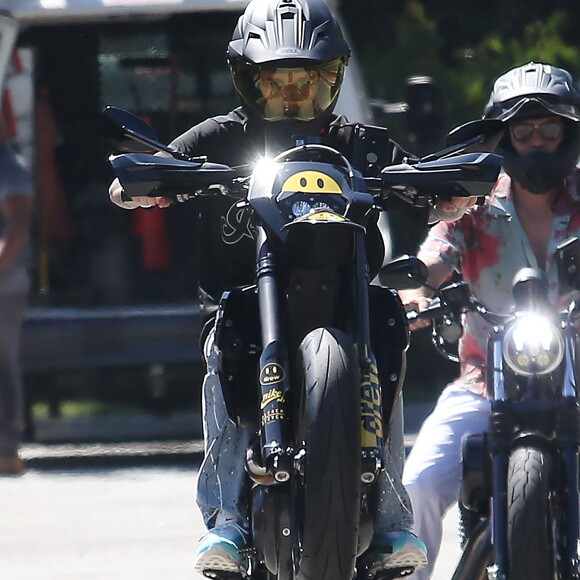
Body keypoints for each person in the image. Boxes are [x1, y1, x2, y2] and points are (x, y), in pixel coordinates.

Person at [109, 0, 427, 577]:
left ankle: (388, 518)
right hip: (246, 303)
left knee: (387, 319)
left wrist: (444, 192)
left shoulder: (363, 143)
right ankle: (225, 520)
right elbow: (144, 174)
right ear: (246, 81)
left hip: (346, 304)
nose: (292, 98)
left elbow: (421, 182)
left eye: (306, 83)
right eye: (276, 85)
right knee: (227, 334)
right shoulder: (219, 137)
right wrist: (143, 185)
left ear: (332, 80)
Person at [400, 61, 580, 579]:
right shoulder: (472, 202)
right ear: (504, 137)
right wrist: (416, 295)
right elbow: (435, 256)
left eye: (550, 130)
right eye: (524, 131)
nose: (538, 142)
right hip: (485, 383)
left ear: (568, 133)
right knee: (419, 482)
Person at [0, 119, 34, 475]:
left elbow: (18, 222)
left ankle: (7, 449)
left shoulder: (8, 167)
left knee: (2, 363)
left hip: (4, 286)